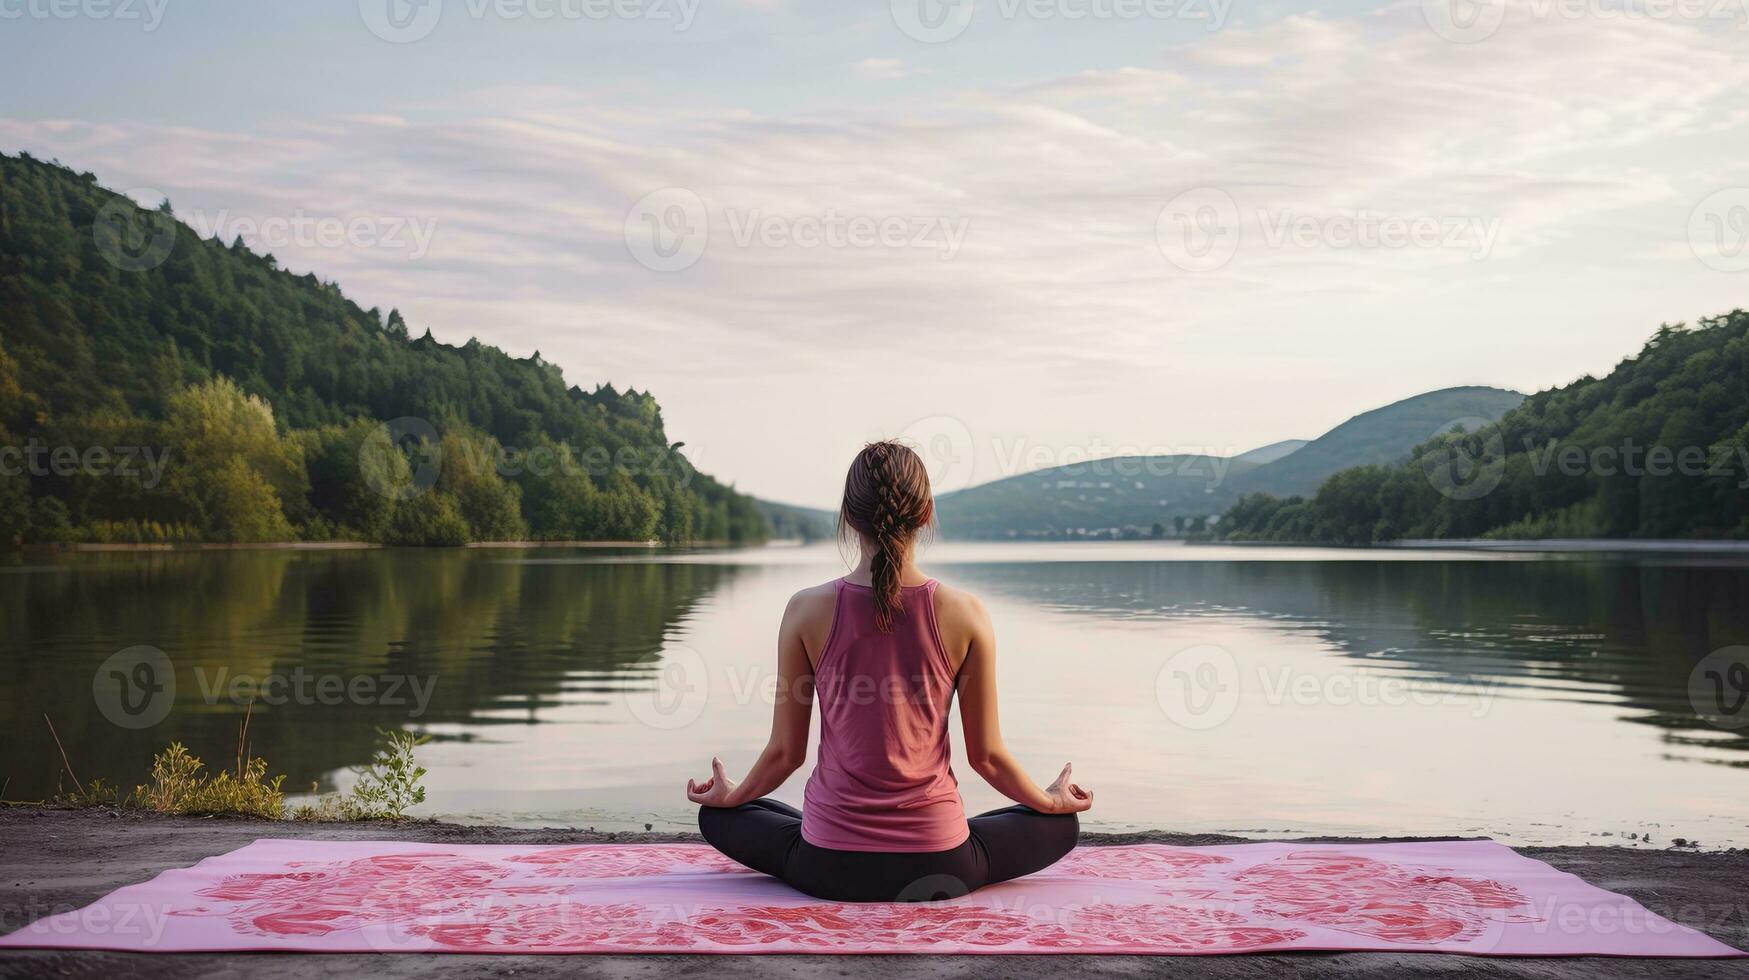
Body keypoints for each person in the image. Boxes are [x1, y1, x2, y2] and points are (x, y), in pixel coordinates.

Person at [686, 440, 1092, 902]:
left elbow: (784, 754)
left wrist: (732, 797)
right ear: (926, 513)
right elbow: (987, 758)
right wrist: (1050, 803)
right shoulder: (967, 613)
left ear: (848, 516)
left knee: (721, 815)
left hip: (826, 867)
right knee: (1059, 825)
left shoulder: (804, 610)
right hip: (941, 866)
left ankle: (793, 822)